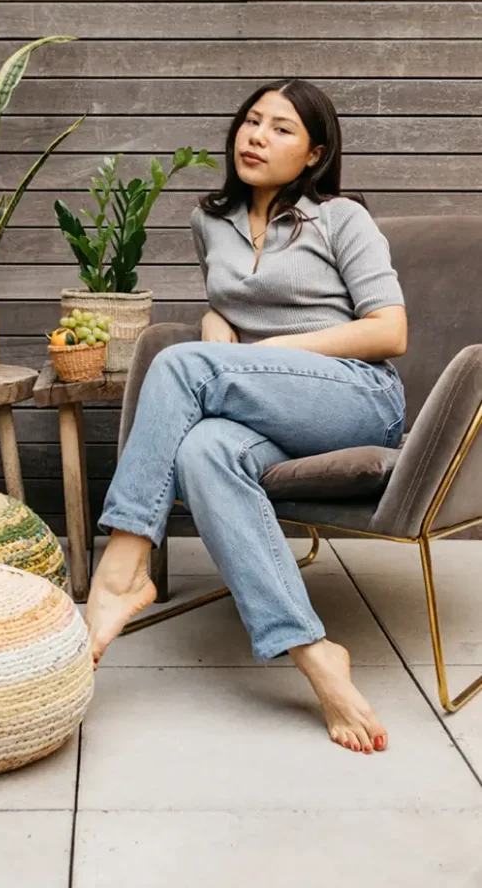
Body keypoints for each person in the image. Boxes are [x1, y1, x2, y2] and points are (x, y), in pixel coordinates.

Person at [84, 78, 407, 755]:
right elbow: (229, 301)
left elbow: (388, 331)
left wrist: (273, 348)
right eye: (251, 121)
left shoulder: (341, 217)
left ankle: (119, 572)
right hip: (263, 401)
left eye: (281, 128)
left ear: (314, 153)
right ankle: (314, 652)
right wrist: (214, 320)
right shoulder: (210, 220)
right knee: (203, 450)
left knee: (181, 365)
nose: (256, 136)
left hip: (353, 397)